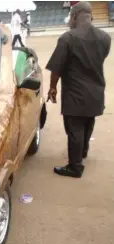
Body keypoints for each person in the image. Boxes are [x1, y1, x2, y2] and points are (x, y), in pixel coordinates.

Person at [45, 1, 111, 178]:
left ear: (74, 16)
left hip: (75, 92)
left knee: (74, 129)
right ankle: (82, 152)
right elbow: (99, 59)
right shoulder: (106, 38)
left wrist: (52, 88)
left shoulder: (68, 38)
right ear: (91, 16)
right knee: (89, 122)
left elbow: (57, 68)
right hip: (96, 91)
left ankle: (75, 167)